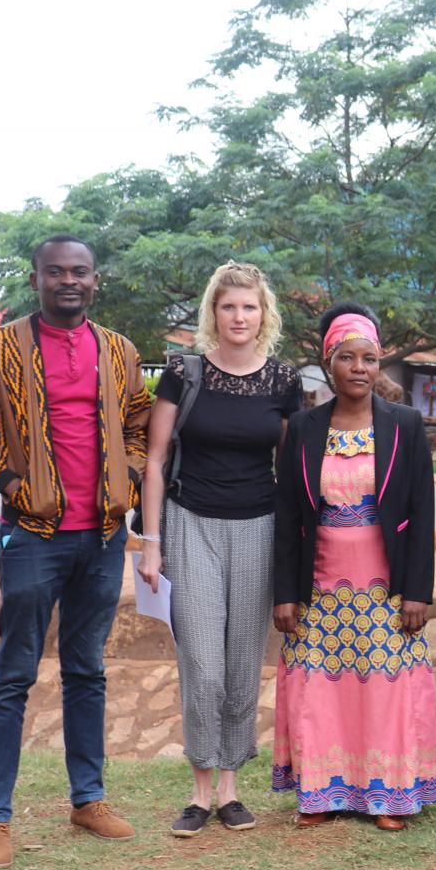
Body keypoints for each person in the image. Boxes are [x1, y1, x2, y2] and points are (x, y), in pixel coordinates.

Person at [0, 235, 151, 869]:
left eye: (80, 272)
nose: (69, 280)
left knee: (87, 671)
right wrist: (9, 481)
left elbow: (139, 425)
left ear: (95, 280)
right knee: (14, 674)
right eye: (55, 271)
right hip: (32, 537)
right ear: (35, 279)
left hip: (104, 536)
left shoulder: (118, 350)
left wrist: (130, 478)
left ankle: (88, 799)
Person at [138, 261, 301, 836]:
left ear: (264, 314)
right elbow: (155, 460)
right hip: (189, 525)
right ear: (213, 312)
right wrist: (151, 544)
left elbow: (294, 467)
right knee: (201, 663)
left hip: (259, 527)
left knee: (240, 662)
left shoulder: (284, 382)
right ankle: (198, 789)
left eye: (249, 307)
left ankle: (230, 788)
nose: (239, 316)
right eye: (228, 306)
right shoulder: (185, 372)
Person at [270, 303, 436, 830]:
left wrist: (417, 591)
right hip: (319, 590)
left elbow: (420, 511)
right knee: (320, 690)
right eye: (347, 357)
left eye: (369, 358)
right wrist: (284, 593)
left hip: (385, 591)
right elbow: (289, 517)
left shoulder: (406, 425)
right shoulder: (301, 428)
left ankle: (389, 797)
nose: (360, 368)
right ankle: (324, 795)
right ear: (330, 364)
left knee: (385, 688)